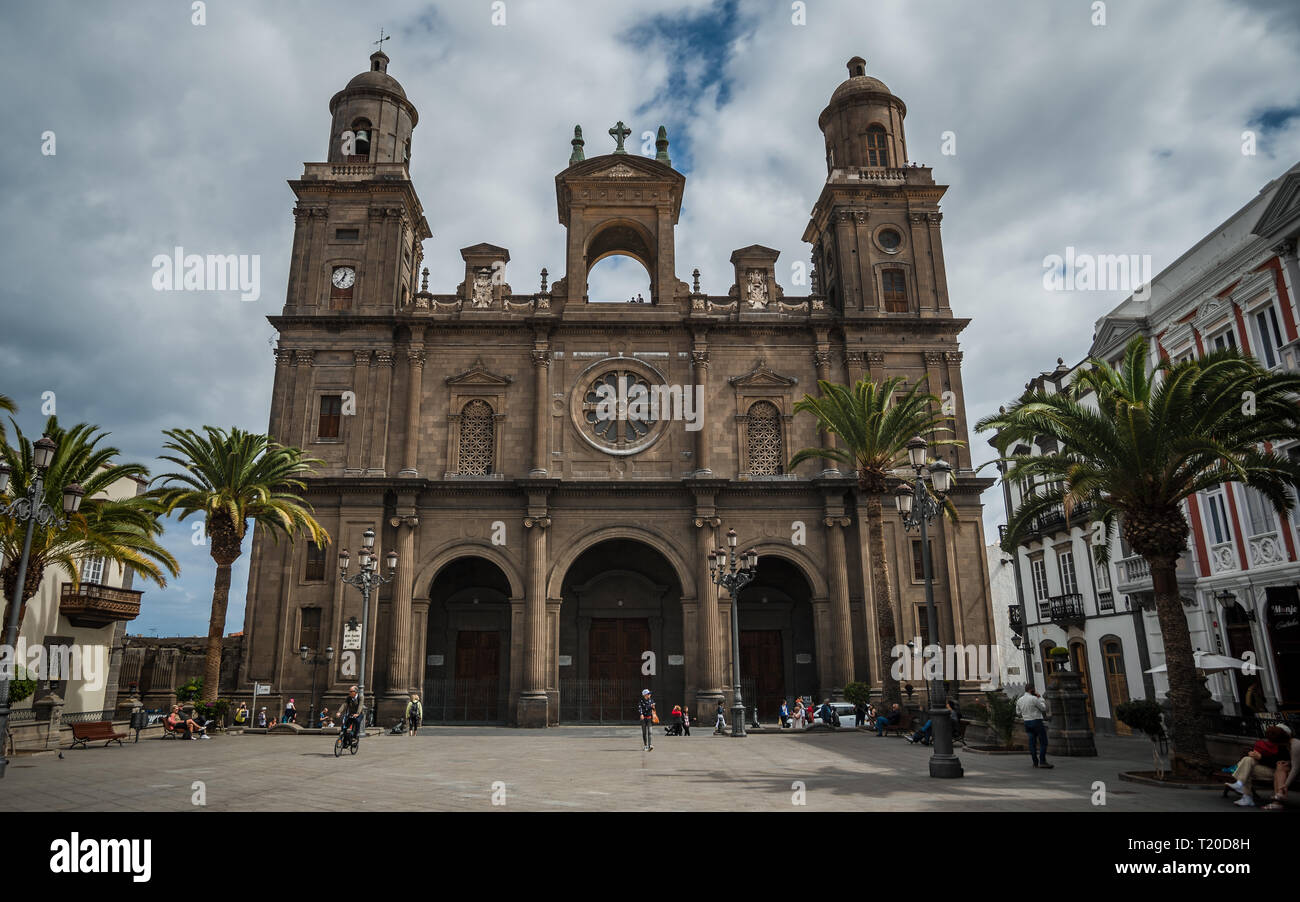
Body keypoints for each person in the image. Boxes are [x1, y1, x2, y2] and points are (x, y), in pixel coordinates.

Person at [1225, 724, 1294, 808]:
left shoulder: (1285, 747)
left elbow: (1279, 764)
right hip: (1264, 768)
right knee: (1247, 760)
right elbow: (1263, 757)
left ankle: (1245, 793)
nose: (1270, 739)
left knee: (1246, 768)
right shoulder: (1269, 744)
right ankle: (1241, 786)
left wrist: (1261, 757)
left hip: (1275, 772)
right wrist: (1254, 754)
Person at [1016, 686, 1052, 768]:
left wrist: (1025, 714)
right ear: (1032, 690)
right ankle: (1042, 761)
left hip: (1027, 722)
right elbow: (1043, 708)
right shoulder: (1034, 699)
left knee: (1032, 743)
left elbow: (1018, 713)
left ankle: (1035, 762)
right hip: (1036, 721)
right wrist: (1040, 698)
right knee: (1043, 742)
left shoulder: (1020, 700)